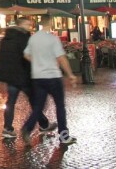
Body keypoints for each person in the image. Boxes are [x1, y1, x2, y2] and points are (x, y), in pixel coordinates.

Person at [21, 15, 77, 145]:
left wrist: (37, 62)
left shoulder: (33, 38)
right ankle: (64, 136)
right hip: (53, 76)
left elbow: (26, 54)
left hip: (37, 77)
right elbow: (62, 58)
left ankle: (27, 128)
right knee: (60, 106)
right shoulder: (53, 39)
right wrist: (70, 74)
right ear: (50, 23)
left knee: (38, 107)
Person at [0, 18, 53, 139]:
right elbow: (29, 55)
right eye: (27, 24)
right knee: (35, 100)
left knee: (11, 102)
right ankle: (43, 124)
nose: (30, 26)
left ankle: (7, 128)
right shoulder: (23, 38)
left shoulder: (7, 38)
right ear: (21, 25)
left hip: (11, 75)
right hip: (23, 75)